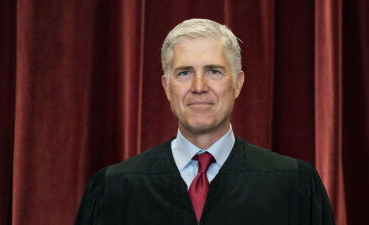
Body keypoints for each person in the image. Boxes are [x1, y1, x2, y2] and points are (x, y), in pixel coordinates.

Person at [74, 18, 335, 225]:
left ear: (238, 83)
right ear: (167, 87)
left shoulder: (295, 186)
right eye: (184, 72)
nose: (199, 86)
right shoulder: (113, 189)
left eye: (213, 71)